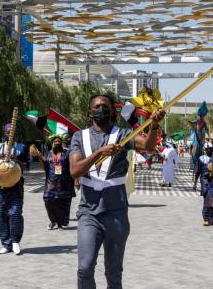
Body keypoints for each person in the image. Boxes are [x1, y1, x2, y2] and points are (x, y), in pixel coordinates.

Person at [69, 94, 164, 289]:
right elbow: (75, 171)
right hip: (89, 213)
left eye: (105, 106)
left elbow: (148, 145)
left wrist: (153, 125)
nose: (100, 109)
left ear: (113, 111)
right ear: (89, 112)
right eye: (96, 106)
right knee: (85, 268)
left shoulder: (122, 135)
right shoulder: (80, 137)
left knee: (114, 272)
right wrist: (98, 153)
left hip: (116, 213)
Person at [0, 123, 30, 255]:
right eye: (8, 132)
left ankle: (15, 242)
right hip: (1, 187)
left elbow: (27, 166)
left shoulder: (21, 148)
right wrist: (0, 161)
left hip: (16, 186)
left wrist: (17, 161)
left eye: (12, 132)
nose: (10, 134)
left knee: (15, 213)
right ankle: (6, 243)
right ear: (5, 133)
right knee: (2, 214)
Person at [42, 134, 75, 230]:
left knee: (62, 202)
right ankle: (53, 220)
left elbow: (73, 165)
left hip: (64, 181)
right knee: (48, 200)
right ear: (52, 143)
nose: (57, 143)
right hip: (51, 181)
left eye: (59, 142)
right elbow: (45, 166)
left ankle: (60, 223)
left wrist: (77, 179)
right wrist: (39, 156)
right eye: (55, 142)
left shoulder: (67, 153)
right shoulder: (48, 153)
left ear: (62, 143)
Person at [198, 146, 212, 226]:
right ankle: (206, 218)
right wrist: (195, 181)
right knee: (207, 199)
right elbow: (198, 171)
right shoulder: (201, 159)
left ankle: (211, 217)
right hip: (205, 182)